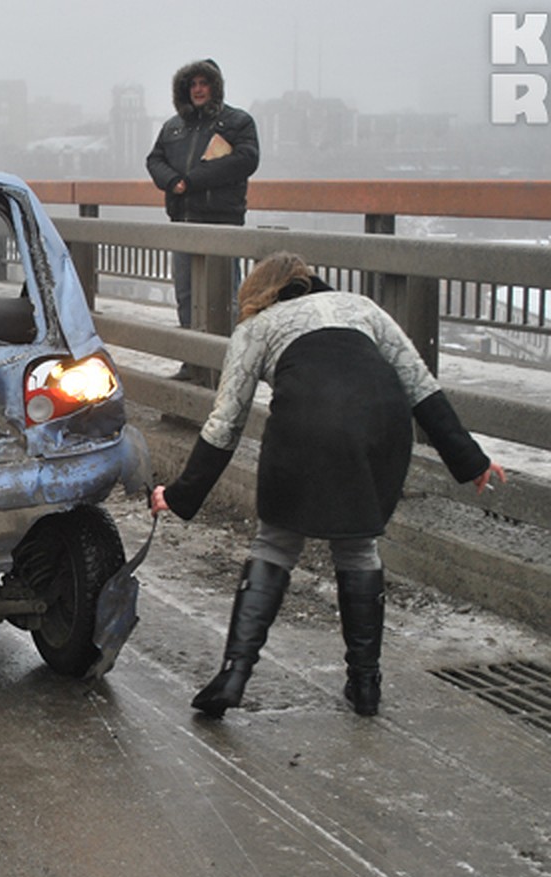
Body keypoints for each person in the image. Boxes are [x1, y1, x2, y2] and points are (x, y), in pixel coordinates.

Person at [149, 252, 506, 719]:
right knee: (357, 549)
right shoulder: (362, 308)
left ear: (257, 293)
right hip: (381, 428)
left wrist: (178, 495)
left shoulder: (257, 327)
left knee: (275, 543)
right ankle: (366, 686)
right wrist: (471, 460)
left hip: (305, 426)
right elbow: (421, 387)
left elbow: (225, 423)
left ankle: (234, 675)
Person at [146, 59, 259, 379]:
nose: (197, 89)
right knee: (187, 296)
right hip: (183, 221)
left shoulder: (237, 122)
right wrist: (172, 181)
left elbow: (247, 159)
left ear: (215, 87)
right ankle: (192, 363)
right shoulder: (173, 127)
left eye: (203, 83)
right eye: (192, 84)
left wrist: (193, 180)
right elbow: (154, 159)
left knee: (224, 296)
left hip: (222, 223)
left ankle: (228, 364)